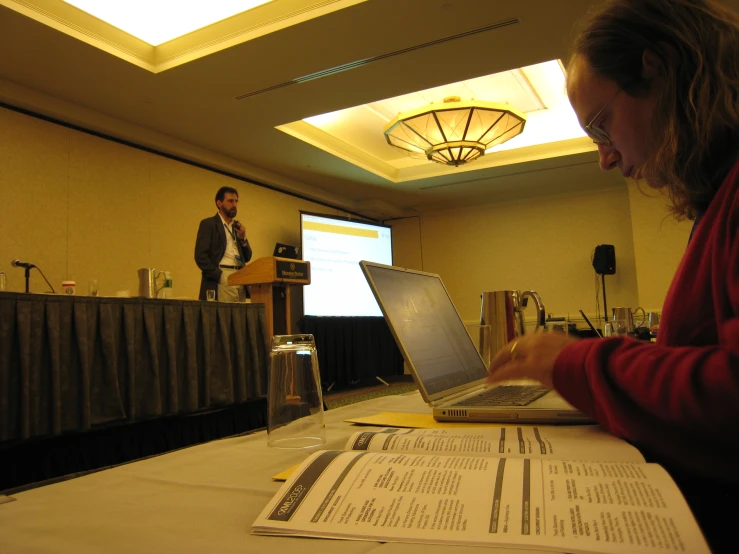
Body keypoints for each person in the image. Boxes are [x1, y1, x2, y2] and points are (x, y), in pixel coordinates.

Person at [488, 0, 739, 548]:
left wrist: (574, 360)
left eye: (602, 127)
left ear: (662, 70)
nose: (604, 158)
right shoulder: (718, 200)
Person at [194, 186, 253, 302]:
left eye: (236, 201)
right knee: (225, 317)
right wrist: (219, 276)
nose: (234, 205)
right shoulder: (209, 224)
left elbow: (247, 257)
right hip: (222, 275)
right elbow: (201, 257)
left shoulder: (237, 227)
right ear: (219, 203)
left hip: (240, 275)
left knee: (239, 317)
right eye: (230, 201)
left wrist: (243, 239)